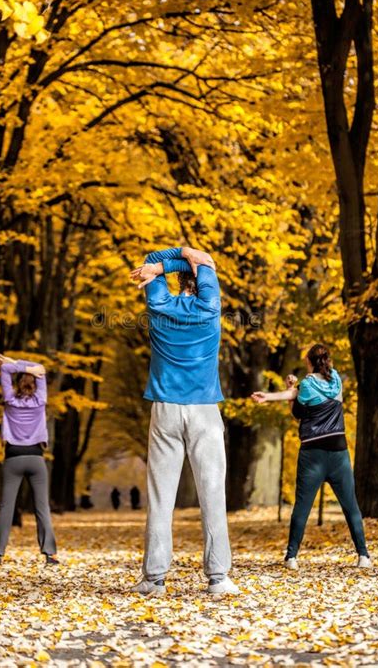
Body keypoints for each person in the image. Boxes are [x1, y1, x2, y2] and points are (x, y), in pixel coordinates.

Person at [129, 246, 238, 596]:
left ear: (173, 281)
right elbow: (204, 258)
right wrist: (186, 254)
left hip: (165, 409)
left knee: (161, 497)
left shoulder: (158, 305)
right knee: (212, 492)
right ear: (204, 282)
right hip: (205, 409)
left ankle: (154, 579)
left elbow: (150, 261)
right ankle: (219, 578)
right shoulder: (210, 306)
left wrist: (161, 265)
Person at [251, 343, 372, 570]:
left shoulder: (306, 384)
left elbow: (297, 410)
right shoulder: (337, 380)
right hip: (339, 454)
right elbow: (299, 393)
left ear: (308, 361)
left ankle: (291, 557)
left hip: (312, 454)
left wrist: (276, 393)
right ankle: (363, 556)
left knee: (302, 507)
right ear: (328, 361)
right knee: (351, 506)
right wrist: (282, 392)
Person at [0, 354, 58, 565]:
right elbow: (41, 368)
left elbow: (4, 371)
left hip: (13, 458)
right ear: (35, 385)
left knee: (6, 507)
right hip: (36, 459)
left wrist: (13, 365)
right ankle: (49, 554)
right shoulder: (41, 401)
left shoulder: (9, 401)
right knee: (42, 507)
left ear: (18, 385)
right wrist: (28, 368)